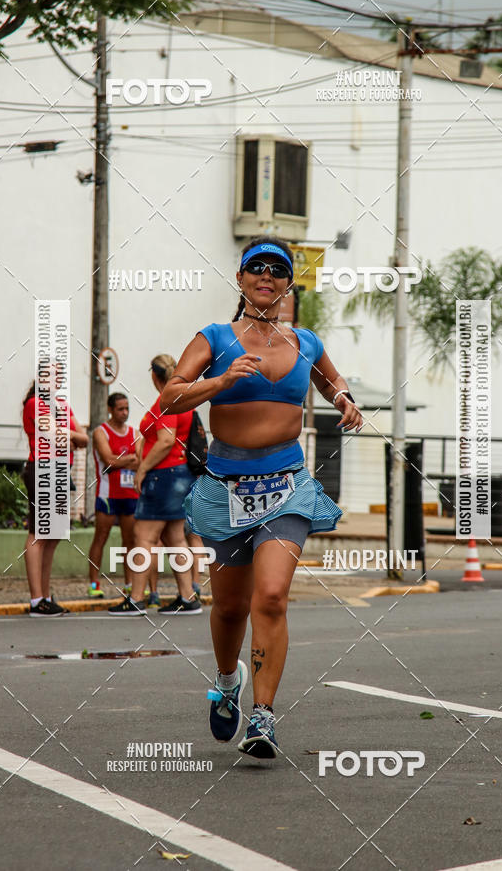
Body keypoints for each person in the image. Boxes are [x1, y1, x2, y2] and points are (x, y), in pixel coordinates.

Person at [158, 236, 362, 759]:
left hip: (286, 487)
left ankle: (264, 717)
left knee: (270, 597)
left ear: (288, 281)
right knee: (228, 609)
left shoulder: (306, 342)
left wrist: (343, 399)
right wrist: (222, 380)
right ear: (241, 278)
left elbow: (330, 379)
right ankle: (228, 683)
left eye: (277, 269)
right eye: (256, 268)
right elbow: (170, 395)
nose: (266, 276)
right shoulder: (216, 337)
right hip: (227, 488)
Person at [108, 355, 201, 616]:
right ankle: (187, 596)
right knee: (175, 537)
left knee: (144, 537)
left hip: (162, 476)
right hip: (179, 475)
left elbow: (165, 440)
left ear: (155, 375)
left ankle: (136, 598)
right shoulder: (184, 398)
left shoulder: (166, 400)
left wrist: (143, 468)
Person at [22, 375, 88, 616]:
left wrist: (67, 436)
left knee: (53, 536)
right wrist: (69, 436)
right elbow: (56, 436)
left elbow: (84, 438)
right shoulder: (34, 404)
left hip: (60, 472)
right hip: (41, 470)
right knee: (38, 533)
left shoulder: (61, 405)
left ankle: (46, 596)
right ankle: (36, 599)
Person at [87, 392, 141, 598]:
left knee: (130, 541)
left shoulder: (134, 432)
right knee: (100, 537)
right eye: (120, 409)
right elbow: (108, 460)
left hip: (130, 494)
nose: (124, 413)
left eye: (127, 408)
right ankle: (94, 584)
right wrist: (129, 459)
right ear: (110, 409)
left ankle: (129, 585)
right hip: (108, 494)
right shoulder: (101, 432)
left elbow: (140, 461)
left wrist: (121, 460)